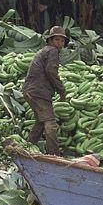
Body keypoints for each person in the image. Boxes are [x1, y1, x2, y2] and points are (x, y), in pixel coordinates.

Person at [23, 26, 69, 155]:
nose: (60, 43)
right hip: (39, 91)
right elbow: (51, 71)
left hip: (30, 90)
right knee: (50, 123)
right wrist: (61, 90)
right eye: (57, 40)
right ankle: (54, 154)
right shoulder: (52, 51)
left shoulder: (44, 51)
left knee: (40, 121)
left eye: (62, 41)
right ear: (50, 41)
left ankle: (27, 146)